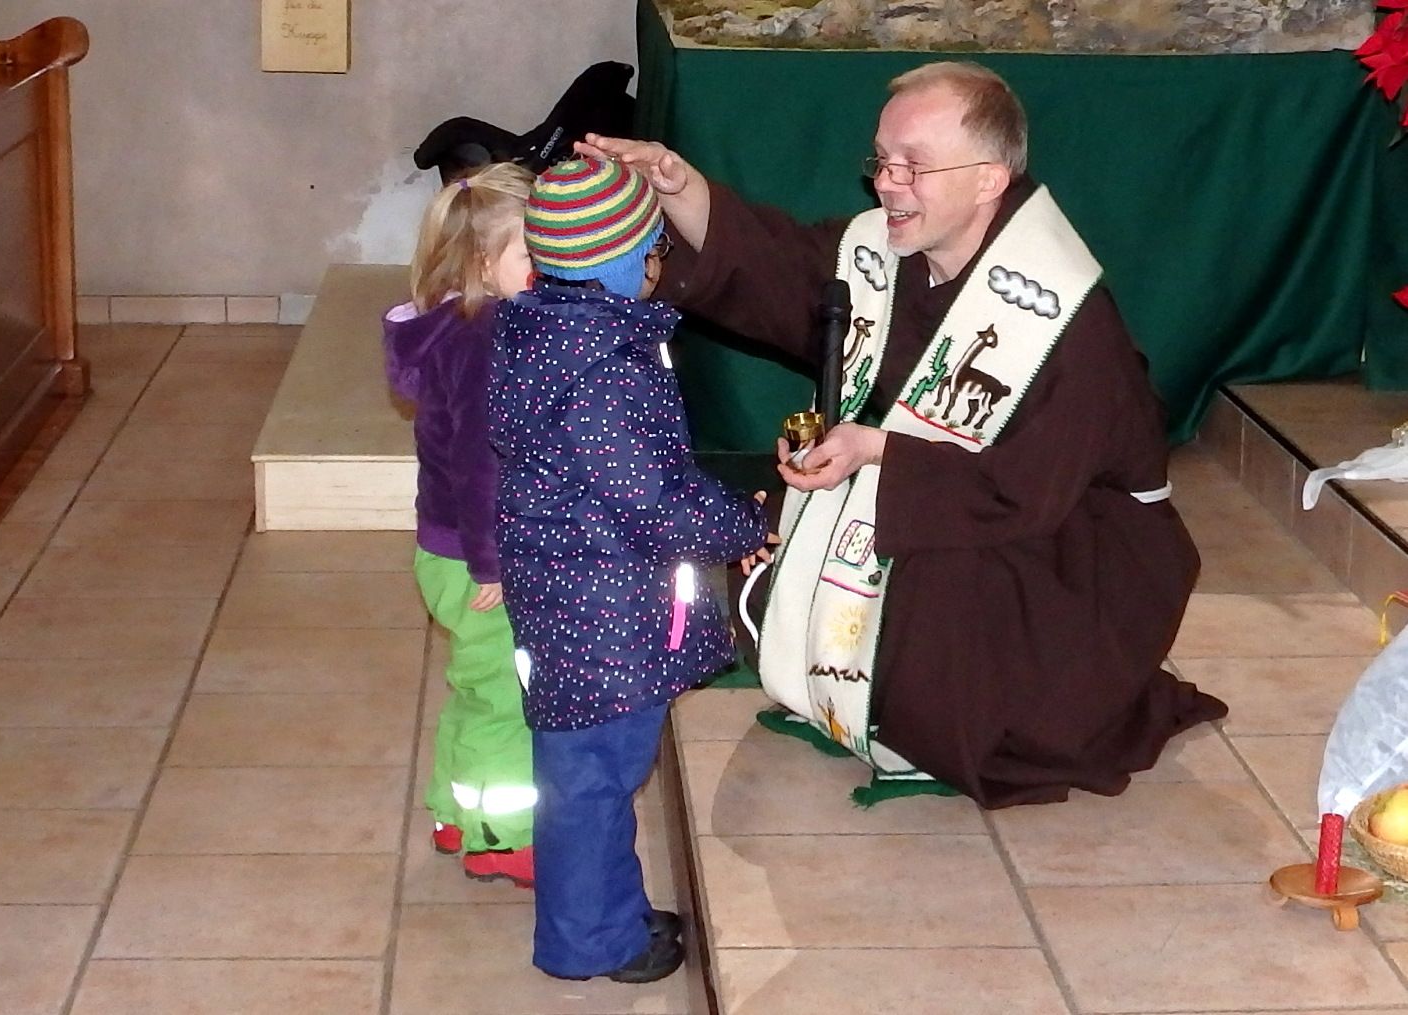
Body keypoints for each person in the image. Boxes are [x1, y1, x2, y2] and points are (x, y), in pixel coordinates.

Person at [579, 61, 1228, 809]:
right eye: (882, 161)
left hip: (1078, 561)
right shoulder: (893, 255)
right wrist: (680, 187)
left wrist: (878, 450)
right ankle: (858, 685)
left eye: (913, 166)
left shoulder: (1063, 318)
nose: (886, 184)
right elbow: (782, 267)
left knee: (931, 565)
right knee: (796, 513)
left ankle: (933, 718)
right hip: (965, 497)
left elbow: (1025, 492)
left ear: (988, 180)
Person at [490, 157, 766, 981]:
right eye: (653, 251)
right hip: (603, 614)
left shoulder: (537, 334)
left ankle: (609, 912)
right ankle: (595, 939)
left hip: (566, 597)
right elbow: (656, 500)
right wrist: (745, 522)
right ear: (619, 263)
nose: (658, 265)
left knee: (587, 773)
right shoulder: (605, 369)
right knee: (595, 781)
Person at [381, 163, 538, 886]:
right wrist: (492, 562)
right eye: (532, 251)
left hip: (442, 550)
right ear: (482, 260)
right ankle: (501, 835)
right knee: (505, 696)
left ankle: (453, 810)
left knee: (474, 686)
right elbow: (481, 463)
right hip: (478, 557)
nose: (547, 265)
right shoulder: (484, 339)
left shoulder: (449, 325)